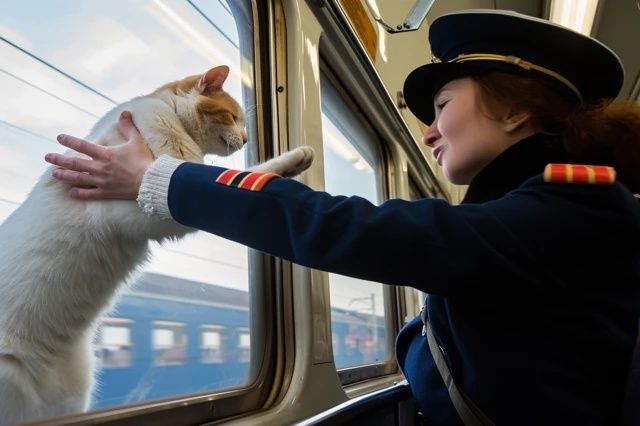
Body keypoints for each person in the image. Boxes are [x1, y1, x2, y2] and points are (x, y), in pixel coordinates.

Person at [44, 9, 640, 426]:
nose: (429, 131)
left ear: (514, 112)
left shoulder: (576, 211)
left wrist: (157, 178)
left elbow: (357, 230)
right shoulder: (537, 211)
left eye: (442, 105)